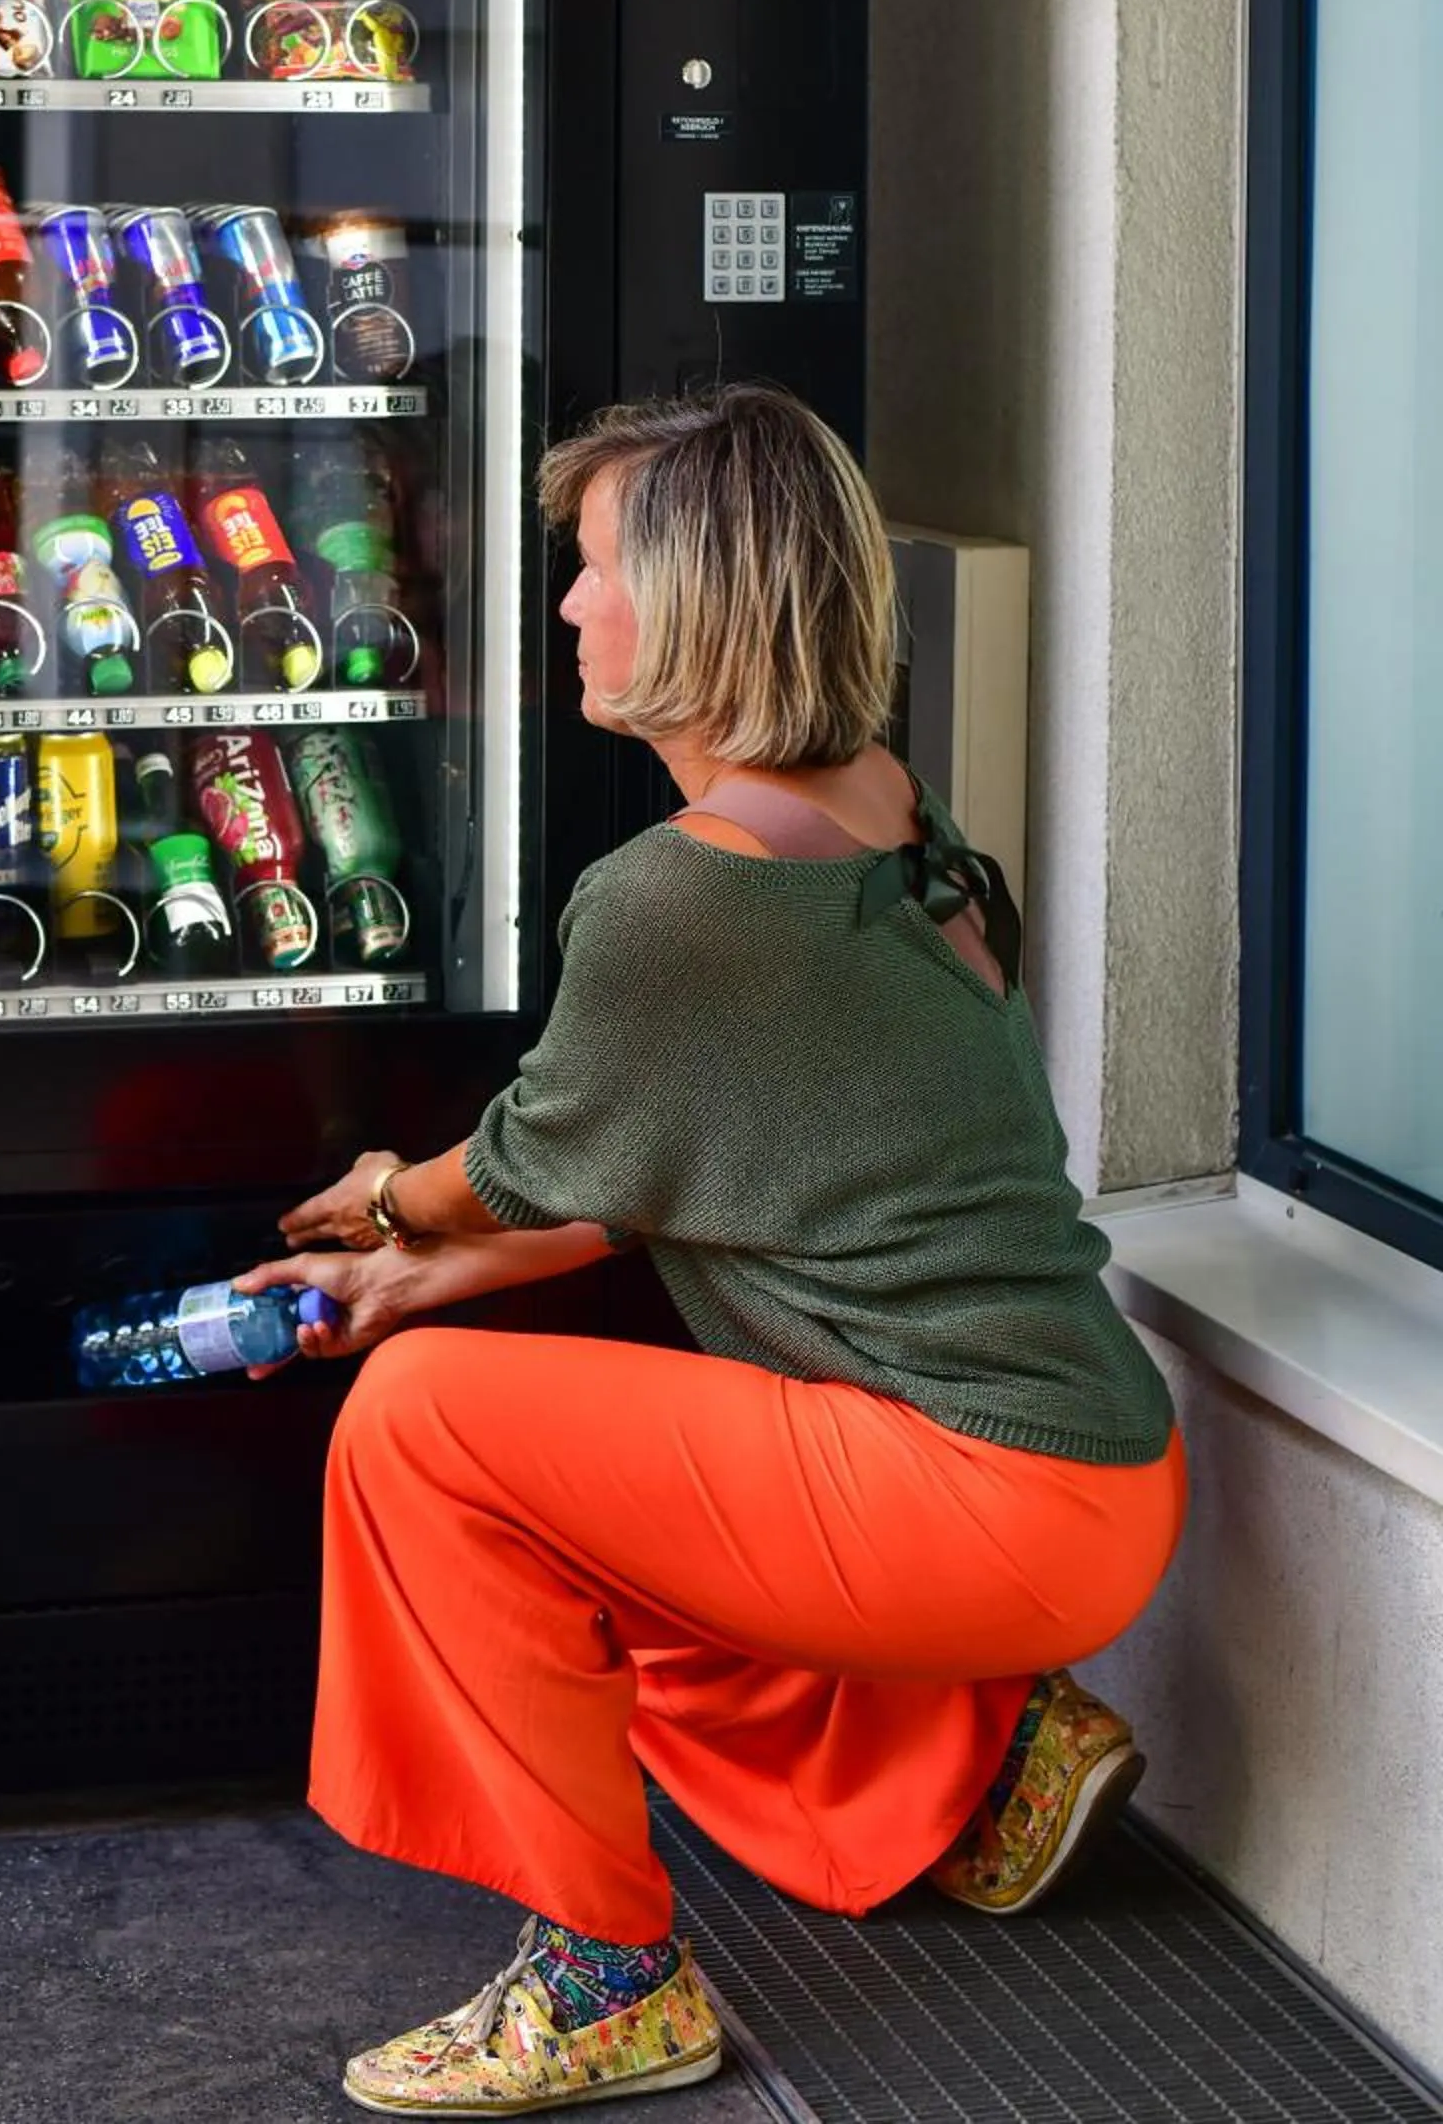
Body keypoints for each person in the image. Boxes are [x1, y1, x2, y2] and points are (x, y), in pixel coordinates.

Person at [233, 383, 1184, 2114]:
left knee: (426, 1430)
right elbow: (682, 1166)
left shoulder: (683, 895)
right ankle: (982, 1750)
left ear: (708, 596)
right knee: (576, 1529)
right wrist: (434, 1267)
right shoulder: (880, 802)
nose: (573, 606)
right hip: (1088, 1468)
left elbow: (515, 1170)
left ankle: (610, 1981)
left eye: (597, 569)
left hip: (978, 1495)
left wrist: (387, 1213)